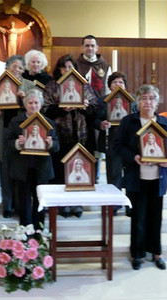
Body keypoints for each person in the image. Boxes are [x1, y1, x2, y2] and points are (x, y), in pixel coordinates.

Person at [114, 84, 167, 271]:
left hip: (158, 178)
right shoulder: (129, 122)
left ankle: (157, 253)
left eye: (151, 98)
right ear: (138, 102)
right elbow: (118, 146)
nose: (148, 102)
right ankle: (138, 254)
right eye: (144, 98)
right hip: (136, 177)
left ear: (157, 102)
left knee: (155, 217)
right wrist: (133, 157)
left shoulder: (165, 123)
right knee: (138, 217)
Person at [42, 54, 98, 218]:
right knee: (60, 170)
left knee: (78, 168)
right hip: (60, 136)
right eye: (65, 66)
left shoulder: (84, 86)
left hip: (81, 136)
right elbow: (45, 110)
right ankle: (62, 204)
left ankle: (77, 203)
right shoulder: (52, 86)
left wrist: (84, 107)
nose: (68, 70)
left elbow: (95, 108)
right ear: (59, 69)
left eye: (70, 66)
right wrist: (61, 108)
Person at [5, 89, 59, 230]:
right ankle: (25, 231)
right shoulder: (16, 121)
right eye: (30, 103)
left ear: (40, 104)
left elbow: (57, 146)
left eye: (36, 103)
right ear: (25, 104)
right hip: (22, 168)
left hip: (42, 168)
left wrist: (50, 143)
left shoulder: (48, 123)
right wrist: (18, 143)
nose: (33, 106)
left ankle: (39, 231)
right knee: (23, 201)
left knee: (40, 200)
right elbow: (7, 143)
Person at [0, 55, 36, 218]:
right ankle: (8, 205)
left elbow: (37, 108)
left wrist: (26, 101)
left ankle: (20, 205)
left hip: (24, 130)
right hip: (5, 129)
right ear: (7, 67)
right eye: (14, 66)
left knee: (21, 169)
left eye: (19, 67)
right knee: (6, 167)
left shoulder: (29, 85)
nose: (17, 70)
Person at [94, 71, 137, 216]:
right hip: (111, 142)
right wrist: (101, 124)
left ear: (125, 86)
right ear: (109, 85)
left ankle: (131, 204)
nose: (118, 85)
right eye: (115, 82)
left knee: (130, 175)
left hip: (131, 144)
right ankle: (114, 204)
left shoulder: (132, 100)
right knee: (114, 174)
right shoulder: (103, 101)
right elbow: (95, 119)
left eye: (121, 82)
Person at [74, 35, 113, 184]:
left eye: (92, 46)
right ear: (82, 47)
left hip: (98, 111)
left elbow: (109, 90)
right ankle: (80, 174)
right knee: (82, 142)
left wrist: (106, 109)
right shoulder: (76, 64)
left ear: (97, 48)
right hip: (80, 111)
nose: (90, 48)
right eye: (87, 45)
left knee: (96, 145)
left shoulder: (105, 66)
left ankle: (95, 176)